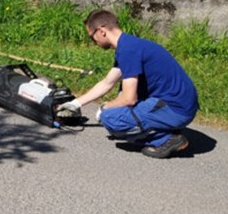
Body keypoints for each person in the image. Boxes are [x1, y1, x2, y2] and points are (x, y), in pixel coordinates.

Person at [57, 9, 199, 158]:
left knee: (111, 118)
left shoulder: (128, 50)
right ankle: (164, 127)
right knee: (119, 100)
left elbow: (129, 99)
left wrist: (105, 108)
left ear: (101, 31)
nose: (94, 42)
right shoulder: (129, 45)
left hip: (176, 109)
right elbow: (107, 82)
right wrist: (75, 103)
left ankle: (167, 139)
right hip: (179, 105)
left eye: (92, 37)